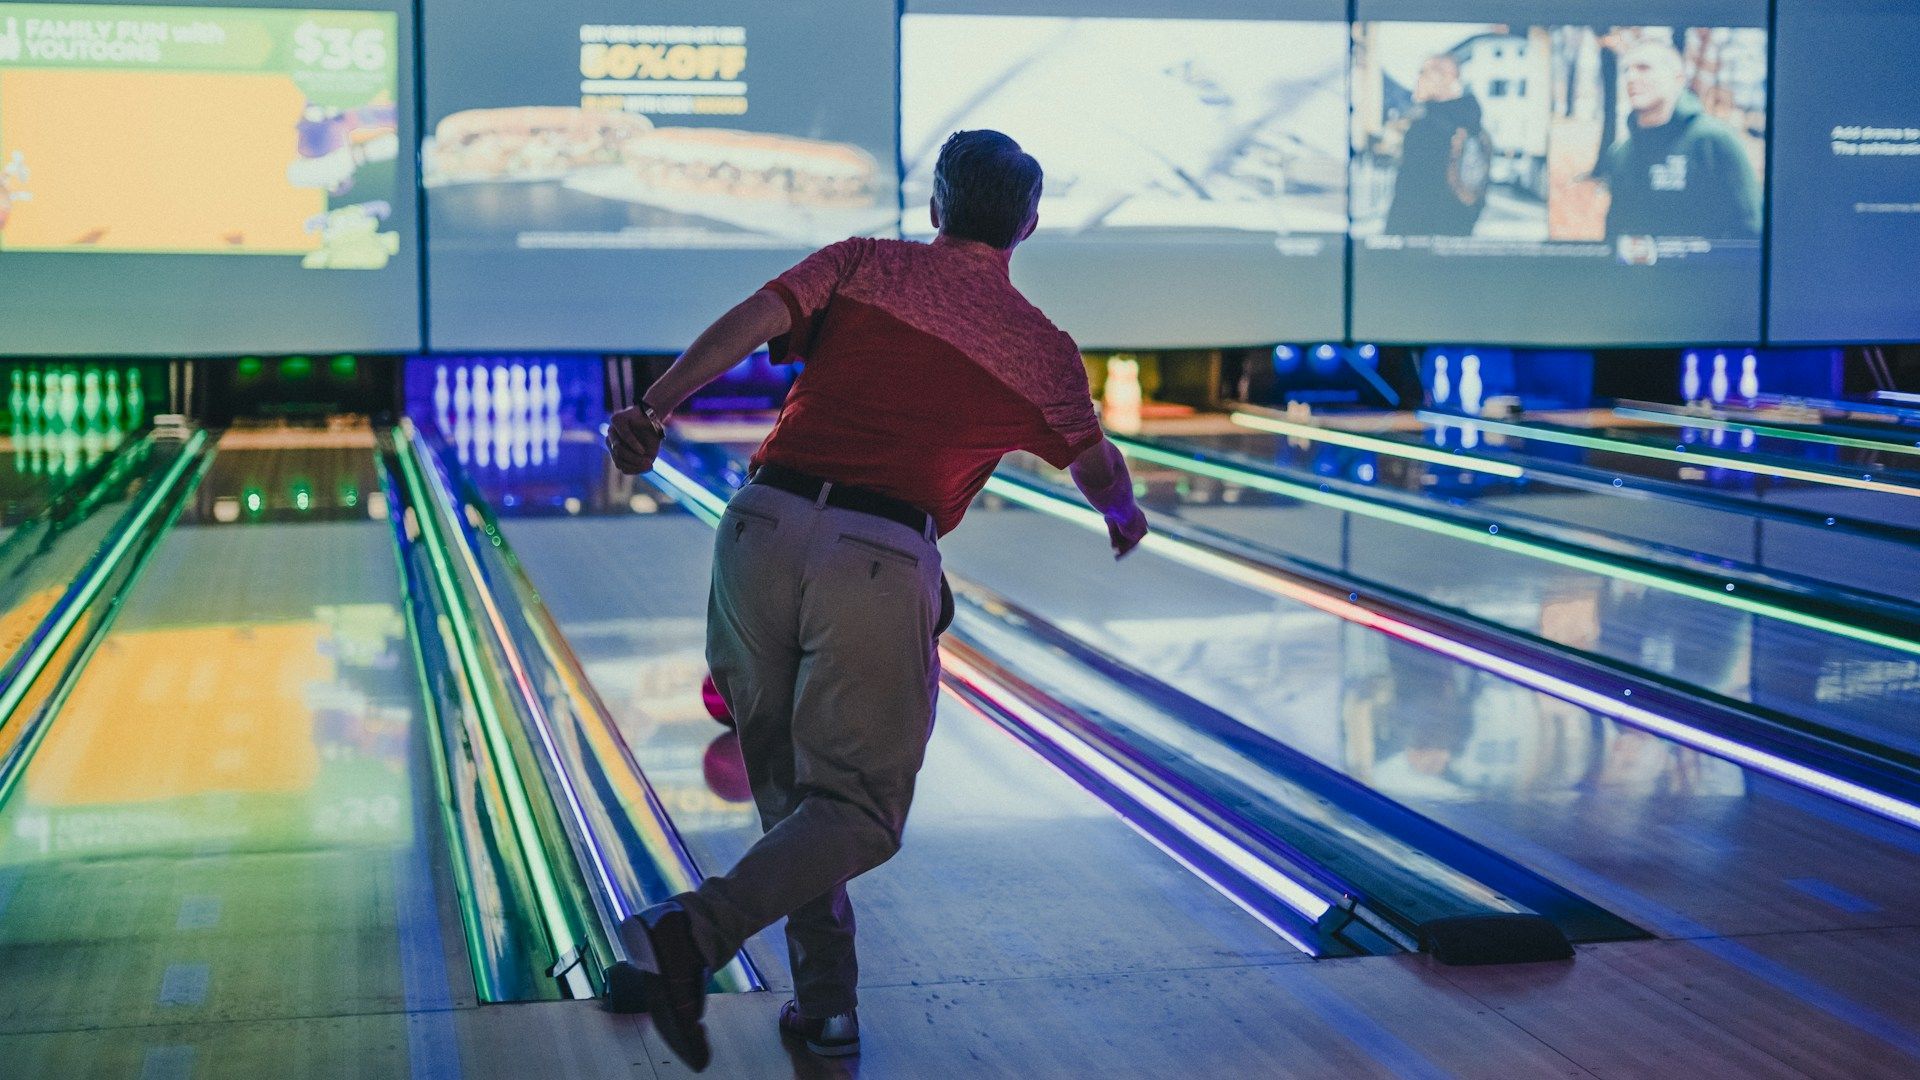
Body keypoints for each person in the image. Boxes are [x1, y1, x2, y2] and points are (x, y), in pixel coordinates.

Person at [603, 129, 1149, 1070]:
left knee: (796, 805)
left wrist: (653, 408)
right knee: (858, 812)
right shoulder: (1044, 351)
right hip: (879, 559)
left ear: (936, 208)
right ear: (1027, 224)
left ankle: (827, 1011)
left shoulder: (859, 262)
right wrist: (1124, 512)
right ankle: (691, 933)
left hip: (757, 532)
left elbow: (749, 319)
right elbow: (1097, 465)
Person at [1597, 39, 1761, 242]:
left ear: (1678, 78)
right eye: (1626, 70)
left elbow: (1751, 228)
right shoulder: (1620, 154)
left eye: (1644, 68)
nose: (1631, 77)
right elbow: (1614, 238)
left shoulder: (1714, 141)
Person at [1383, 54, 1490, 237]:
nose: (1417, 80)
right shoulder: (1477, 129)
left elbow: (1411, 198)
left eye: (1423, 73)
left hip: (1416, 242)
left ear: (1447, 78)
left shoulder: (1427, 128)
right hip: (1455, 237)